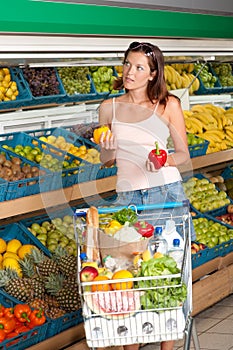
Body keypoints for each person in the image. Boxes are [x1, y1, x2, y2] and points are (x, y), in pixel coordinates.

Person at [97, 41, 195, 350]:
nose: (130, 71)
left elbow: (183, 155)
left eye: (139, 67)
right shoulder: (108, 107)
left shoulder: (169, 105)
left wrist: (162, 159)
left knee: (164, 276)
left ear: (153, 74)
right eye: (127, 64)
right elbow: (106, 160)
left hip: (164, 195)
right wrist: (107, 151)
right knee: (128, 279)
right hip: (127, 200)